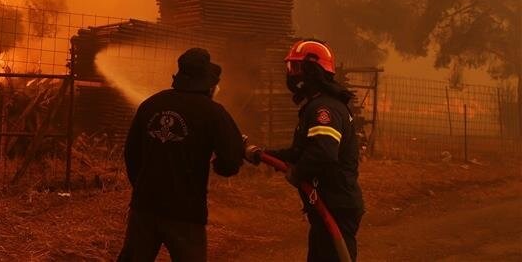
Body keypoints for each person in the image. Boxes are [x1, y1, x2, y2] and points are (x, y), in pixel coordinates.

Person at [118, 48, 244, 262]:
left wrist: (142, 186)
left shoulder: (150, 105)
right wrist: (218, 165)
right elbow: (231, 161)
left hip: (145, 207)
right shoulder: (213, 112)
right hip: (186, 213)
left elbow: (131, 153)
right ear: (208, 83)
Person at [245, 39, 364, 262]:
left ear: (312, 71)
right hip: (327, 205)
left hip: (335, 206)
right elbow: (300, 153)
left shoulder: (324, 109)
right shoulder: (318, 104)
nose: (291, 75)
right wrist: (262, 154)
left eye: (297, 68)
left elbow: (323, 154)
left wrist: (298, 173)